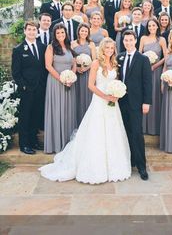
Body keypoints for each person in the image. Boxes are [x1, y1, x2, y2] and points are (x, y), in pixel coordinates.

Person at [39, 38, 131, 184]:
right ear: (102, 48)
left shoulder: (114, 63)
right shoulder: (96, 63)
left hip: (113, 104)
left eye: (111, 48)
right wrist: (106, 96)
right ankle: (95, 168)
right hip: (100, 102)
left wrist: (116, 94)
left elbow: (115, 83)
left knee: (113, 132)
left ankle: (113, 166)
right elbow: (91, 85)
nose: (109, 50)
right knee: (97, 133)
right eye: (106, 48)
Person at [118, 30, 152, 180]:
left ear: (135, 41)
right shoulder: (119, 57)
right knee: (125, 132)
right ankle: (129, 161)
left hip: (137, 103)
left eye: (131, 40)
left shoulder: (143, 59)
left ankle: (142, 167)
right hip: (121, 102)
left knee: (137, 133)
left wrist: (146, 102)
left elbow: (147, 83)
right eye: (126, 40)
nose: (128, 43)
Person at [11, 21, 47, 154]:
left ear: (37, 32)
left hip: (40, 88)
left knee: (36, 116)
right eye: (29, 29)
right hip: (27, 89)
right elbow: (16, 73)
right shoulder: (19, 49)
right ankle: (24, 144)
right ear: (25, 31)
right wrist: (24, 86)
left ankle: (33, 141)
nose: (32, 32)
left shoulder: (43, 47)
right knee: (25, 117)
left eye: (34, 30)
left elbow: (44, 67)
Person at [44, 23, 78, 154]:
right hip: (55, 82)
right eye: (58, 33)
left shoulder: (69, 47)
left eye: (62, 33)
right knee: (57, 110)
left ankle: (67, 143)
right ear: (54, 35)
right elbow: (48, 66)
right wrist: (62, 79)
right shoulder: (50, 47)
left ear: (66, 33)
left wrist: (72, 77)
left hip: (69, 82)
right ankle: (56, 143)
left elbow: (74, 64)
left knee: (68, 110)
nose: (60, 35)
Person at [139, 18, 167, 135]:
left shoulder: (161, 39)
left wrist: (155, 66)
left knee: (155, 96)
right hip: (144, 71)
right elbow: (139, 54)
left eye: (153, 26)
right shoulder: (143, 38)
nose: (151, 28)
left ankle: (155, 127)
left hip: (156, 71)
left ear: (157, 27)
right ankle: (144, 127)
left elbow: (166, 57)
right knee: (145, 95)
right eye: (149, 26)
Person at [71, 23, 96, 125]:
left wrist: (87, 68)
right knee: (77, 96)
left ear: (88, 33)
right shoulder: (73, 44)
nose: (84, 33)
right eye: (82, 31)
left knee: (87, 95)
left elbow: (94, 59)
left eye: (86, 31)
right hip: (76, 73)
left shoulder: (91, 44)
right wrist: (76, 68)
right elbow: (71, 58)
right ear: (78, 31)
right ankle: (77, 121)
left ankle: (88, 122)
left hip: (88, 73)